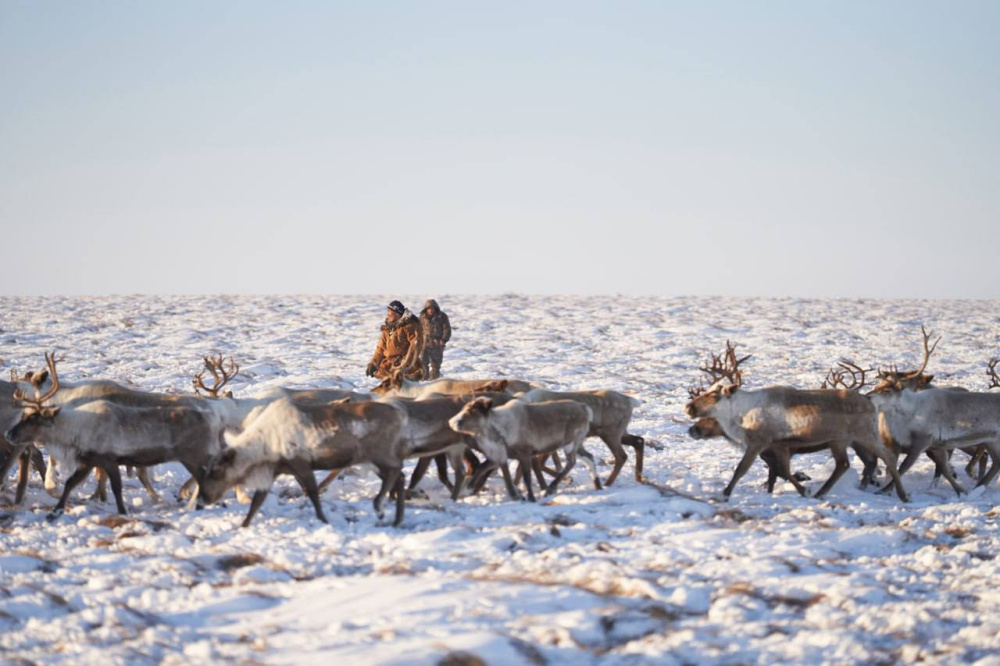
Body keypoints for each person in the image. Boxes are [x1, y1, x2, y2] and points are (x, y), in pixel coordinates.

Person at [365, 300, 424, 380]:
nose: (387, 314)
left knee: (404, 389)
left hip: (408, 368)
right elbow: (380, 349)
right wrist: (374, 364)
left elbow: (416, 345)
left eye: (389, 311)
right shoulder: (387, 329)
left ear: (397, 313)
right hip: (388, 366)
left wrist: (405, 362)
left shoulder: (409, 326)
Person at [419, 298, 451, 380]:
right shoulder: (422, 317)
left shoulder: (442, 316)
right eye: (429, 308)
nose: (430, 310)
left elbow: (447, 329)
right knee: (423, 363)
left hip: (437, 343)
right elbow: (418, 329)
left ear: (435, 308)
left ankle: (434, 381)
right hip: (425, 343)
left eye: (432, 308)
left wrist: (443, 340)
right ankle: (423, 381)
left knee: (436, 365)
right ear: (426, 309)